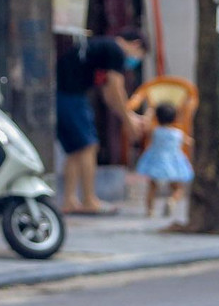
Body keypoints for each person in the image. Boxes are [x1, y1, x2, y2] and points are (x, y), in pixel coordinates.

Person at [55, 28, 149, 215]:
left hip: (65, 95)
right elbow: (116, 87)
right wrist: (128, 121)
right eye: (139, 56)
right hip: (71, 97)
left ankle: (69, 200)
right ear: (136, 44)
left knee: (75, 150)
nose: (134, 62)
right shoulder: (115, 50)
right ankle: (89, 199)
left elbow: (109, 94)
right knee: (88, 147)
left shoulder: (103, 47)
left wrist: (128, 116)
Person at [137, 102, 194, 219]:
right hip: (173, 163)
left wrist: (149, 113)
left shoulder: (155, 131)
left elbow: (146, 127)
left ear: (157, 117)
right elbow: (189, 142)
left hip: (156, 161)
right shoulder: (177, 133)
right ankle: (172, 200)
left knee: (152, 187)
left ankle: (150, 210)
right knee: (178, 188)